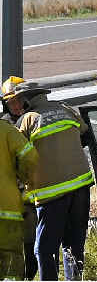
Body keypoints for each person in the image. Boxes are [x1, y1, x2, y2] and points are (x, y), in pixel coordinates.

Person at [1, 77, 92, 281]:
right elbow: (85, 135)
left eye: (16, 101)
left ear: (27, 99)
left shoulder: (27, 120)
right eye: (9, 103)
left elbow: (18, 157)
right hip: (82, 187)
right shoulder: (65, 109)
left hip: (52, 194)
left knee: (44, 250)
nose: (13, 106)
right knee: (73, 246)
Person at [0, 107, 37, 280]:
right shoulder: (7, 130)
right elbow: (30, 156)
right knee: (12, 261)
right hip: (7, 210)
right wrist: (22, 176)